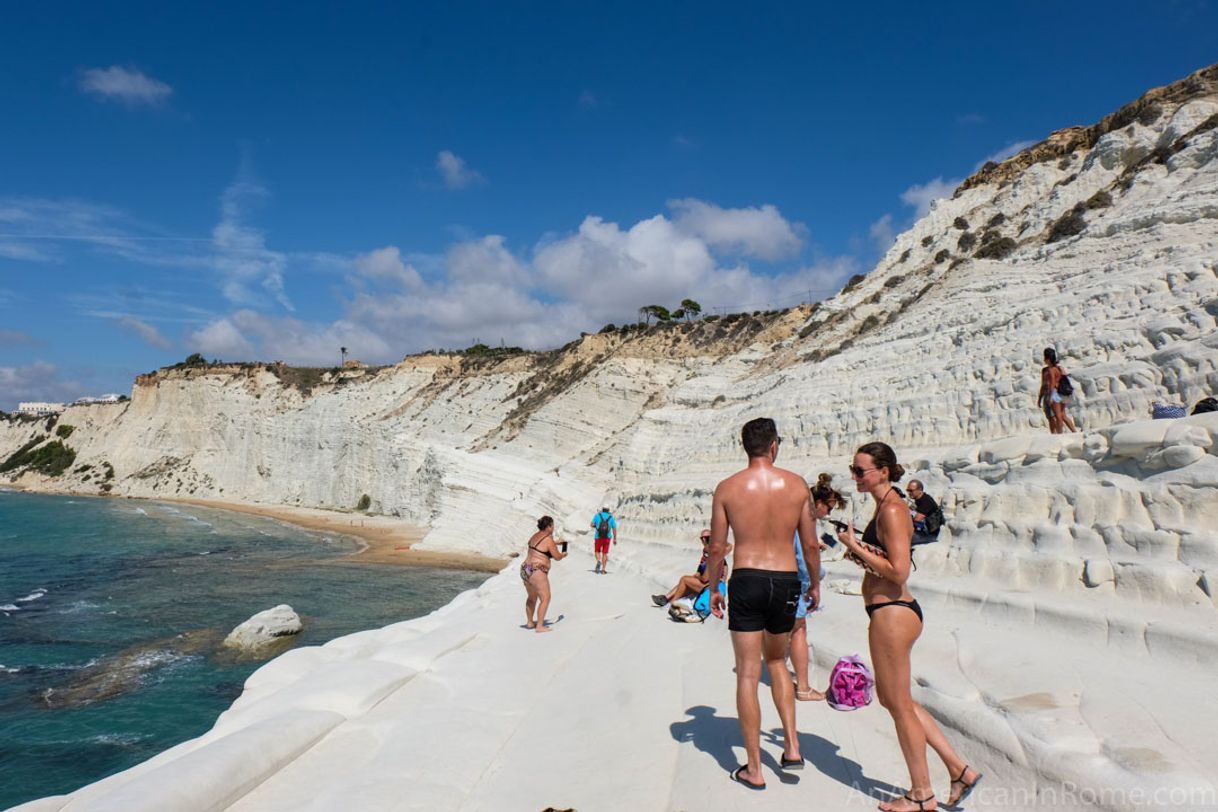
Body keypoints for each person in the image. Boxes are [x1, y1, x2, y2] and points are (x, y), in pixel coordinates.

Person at [837, 442, 980, 812]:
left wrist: (856, 545)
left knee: (897, 706)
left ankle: (921, 795)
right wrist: (858, 551)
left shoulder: (894, 510)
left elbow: (899, 571)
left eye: (860, 470)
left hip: (893, 614)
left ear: (883, 471)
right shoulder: (885, 506)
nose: (854, 476)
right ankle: (959, 770)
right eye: (853, 469)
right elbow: (884, 562)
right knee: (898, 701)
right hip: (890, 611)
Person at [703, 417, 820, 790]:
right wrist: (814, 583)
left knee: (748, 673)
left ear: (746, 447)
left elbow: (718, 547)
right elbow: (812, 544)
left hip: (747, 578)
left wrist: (714, 586)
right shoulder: (797, 485)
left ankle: (754, 769)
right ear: (773, 445)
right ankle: (792, 745)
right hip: (786, 580)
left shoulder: (727, 488)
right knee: (776, 663)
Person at [790, 473, 842, 702]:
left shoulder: (791, 517)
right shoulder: (806, 522)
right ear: (819, 503)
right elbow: (804, 557)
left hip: (777, 579)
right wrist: (815, 582)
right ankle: (802, 687)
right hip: (794, 585)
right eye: (829, 509)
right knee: (798, 631)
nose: (828, 514)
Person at [652, 530, 730, 607]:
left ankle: (672, 603)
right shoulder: (706, 552)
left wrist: (698, 577)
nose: (703, 540)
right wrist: (697, 576)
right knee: (688, 581)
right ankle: (666, 599)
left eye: (707, 538)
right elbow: (701, 569)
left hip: (711, 587)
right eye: (703, 538)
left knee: (684, 579)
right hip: (708, 584)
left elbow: (705, 578)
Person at [522, 515, 566, 633]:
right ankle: (540, 626)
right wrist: (563, 554)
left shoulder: (534, 536)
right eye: (552, 525)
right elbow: (557, 557)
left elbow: (539, 547)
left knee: (531, 597)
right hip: (537, 570)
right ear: (549, 526)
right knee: (545, 598)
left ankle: (530, 622)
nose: (553, 528)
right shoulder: (548, 539)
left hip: (526, 569)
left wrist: (555, 543)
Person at [1037, 347, 1077, 434]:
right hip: (1061, 393)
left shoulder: (1048, 370)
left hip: (1052, 393)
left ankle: (1058, 434)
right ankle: (1073, 431)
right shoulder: (1059, 368)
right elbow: (1065, 379)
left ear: (1047, 359)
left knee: (1056, 416)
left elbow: (1049, 384)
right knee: (1062, 415)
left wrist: (1045, 397)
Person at [907, 480, 941, 546]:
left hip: (929, 535)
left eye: (911, 491)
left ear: (919, 489)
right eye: (908, 490)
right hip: (921, 531)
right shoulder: (918, 500)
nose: (909, 493)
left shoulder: (926, 501)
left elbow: (917, 519)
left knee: (899, 537)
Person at [589, 506, 617, 574]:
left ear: (602, 509)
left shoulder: (597, 515)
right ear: (608, 510)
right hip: (607, 537)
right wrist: (615, 539)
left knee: (597, 551)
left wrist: (597, 526)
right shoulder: (611, 517)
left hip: (598, 537)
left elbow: (591, 524)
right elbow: (614, 528)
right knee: (605, 553)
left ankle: (599, 560)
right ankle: (603, 570)